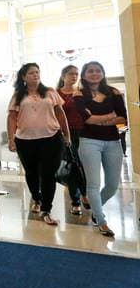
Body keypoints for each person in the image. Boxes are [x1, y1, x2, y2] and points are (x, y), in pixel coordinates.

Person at [7, 63, 71, 226]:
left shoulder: (49, 92)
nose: (35, 75)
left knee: (48, 174)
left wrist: (66, 134)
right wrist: (10, 138)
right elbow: (12, 117)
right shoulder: (18, 96)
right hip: (25, 141)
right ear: (23, 77)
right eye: (31, 73)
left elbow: (60, 113)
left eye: (37, 72)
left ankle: (46, 209)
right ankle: (36, 197)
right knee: (32, 173)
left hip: (51, 138)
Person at [73, 61, 127, 238]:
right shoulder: (79, 94)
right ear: (84, 75)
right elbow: (87, 119)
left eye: (98, 71)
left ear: (103, 73)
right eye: (90, 71)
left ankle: (95, 211)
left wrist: (100, 118)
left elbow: (123, 119)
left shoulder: (113, 92)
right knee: (94, 184)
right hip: (89, 141)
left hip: (113, 141)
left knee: (112, 185)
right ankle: (102, 222)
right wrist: (110, 116)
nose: (94, 74)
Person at [57, 64, 88, 215]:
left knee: (80, 165)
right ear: (63, 76)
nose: (74, 77)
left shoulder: (81, 93)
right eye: (71, 74)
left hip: (81, 133)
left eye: (76, 74)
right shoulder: (56, 94)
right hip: (63, 134)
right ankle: (78, 199)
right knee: (71, 167)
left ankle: (84, 194)